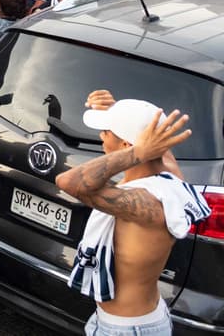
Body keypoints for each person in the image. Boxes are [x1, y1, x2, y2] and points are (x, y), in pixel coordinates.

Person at [56, 92, 209, 336]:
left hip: (128, 330)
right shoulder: (169, 176)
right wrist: (120, 112)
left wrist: (137, 152)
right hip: (131, 321)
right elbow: (157, 146)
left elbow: (68, 181)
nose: (101, 137)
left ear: (128, 146)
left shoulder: (147, 203)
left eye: (106, 132)